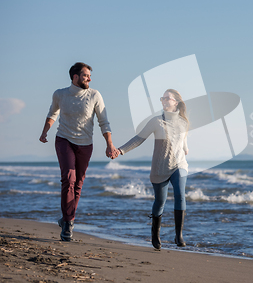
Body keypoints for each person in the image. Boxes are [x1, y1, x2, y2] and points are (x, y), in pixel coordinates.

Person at [39, 62, 120, 241]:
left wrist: (110, 144)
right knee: (69, 178)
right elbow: (52, 113)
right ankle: (68, 225)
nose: (89, 79)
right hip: (64, 140)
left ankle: (67, 218)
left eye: (89, 76)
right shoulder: (60, 94)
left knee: (78, 184)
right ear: (75, 77)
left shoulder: (95, 95)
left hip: (85, 144)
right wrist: (45, 131)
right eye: (85, 75)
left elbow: (103, 121)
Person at [117, 89, 189, 249]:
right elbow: (139, 138)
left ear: (175, 102)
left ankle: (179, 235)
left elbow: (183, 142)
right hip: (160, 167)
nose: (164, 101)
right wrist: (121, 150)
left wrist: (185, 149)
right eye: (162, 98)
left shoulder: (184, 122)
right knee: (160, 202)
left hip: (179, 165)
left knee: (180, 194)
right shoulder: (156, 121)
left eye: (167, 98)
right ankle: (155, 234)